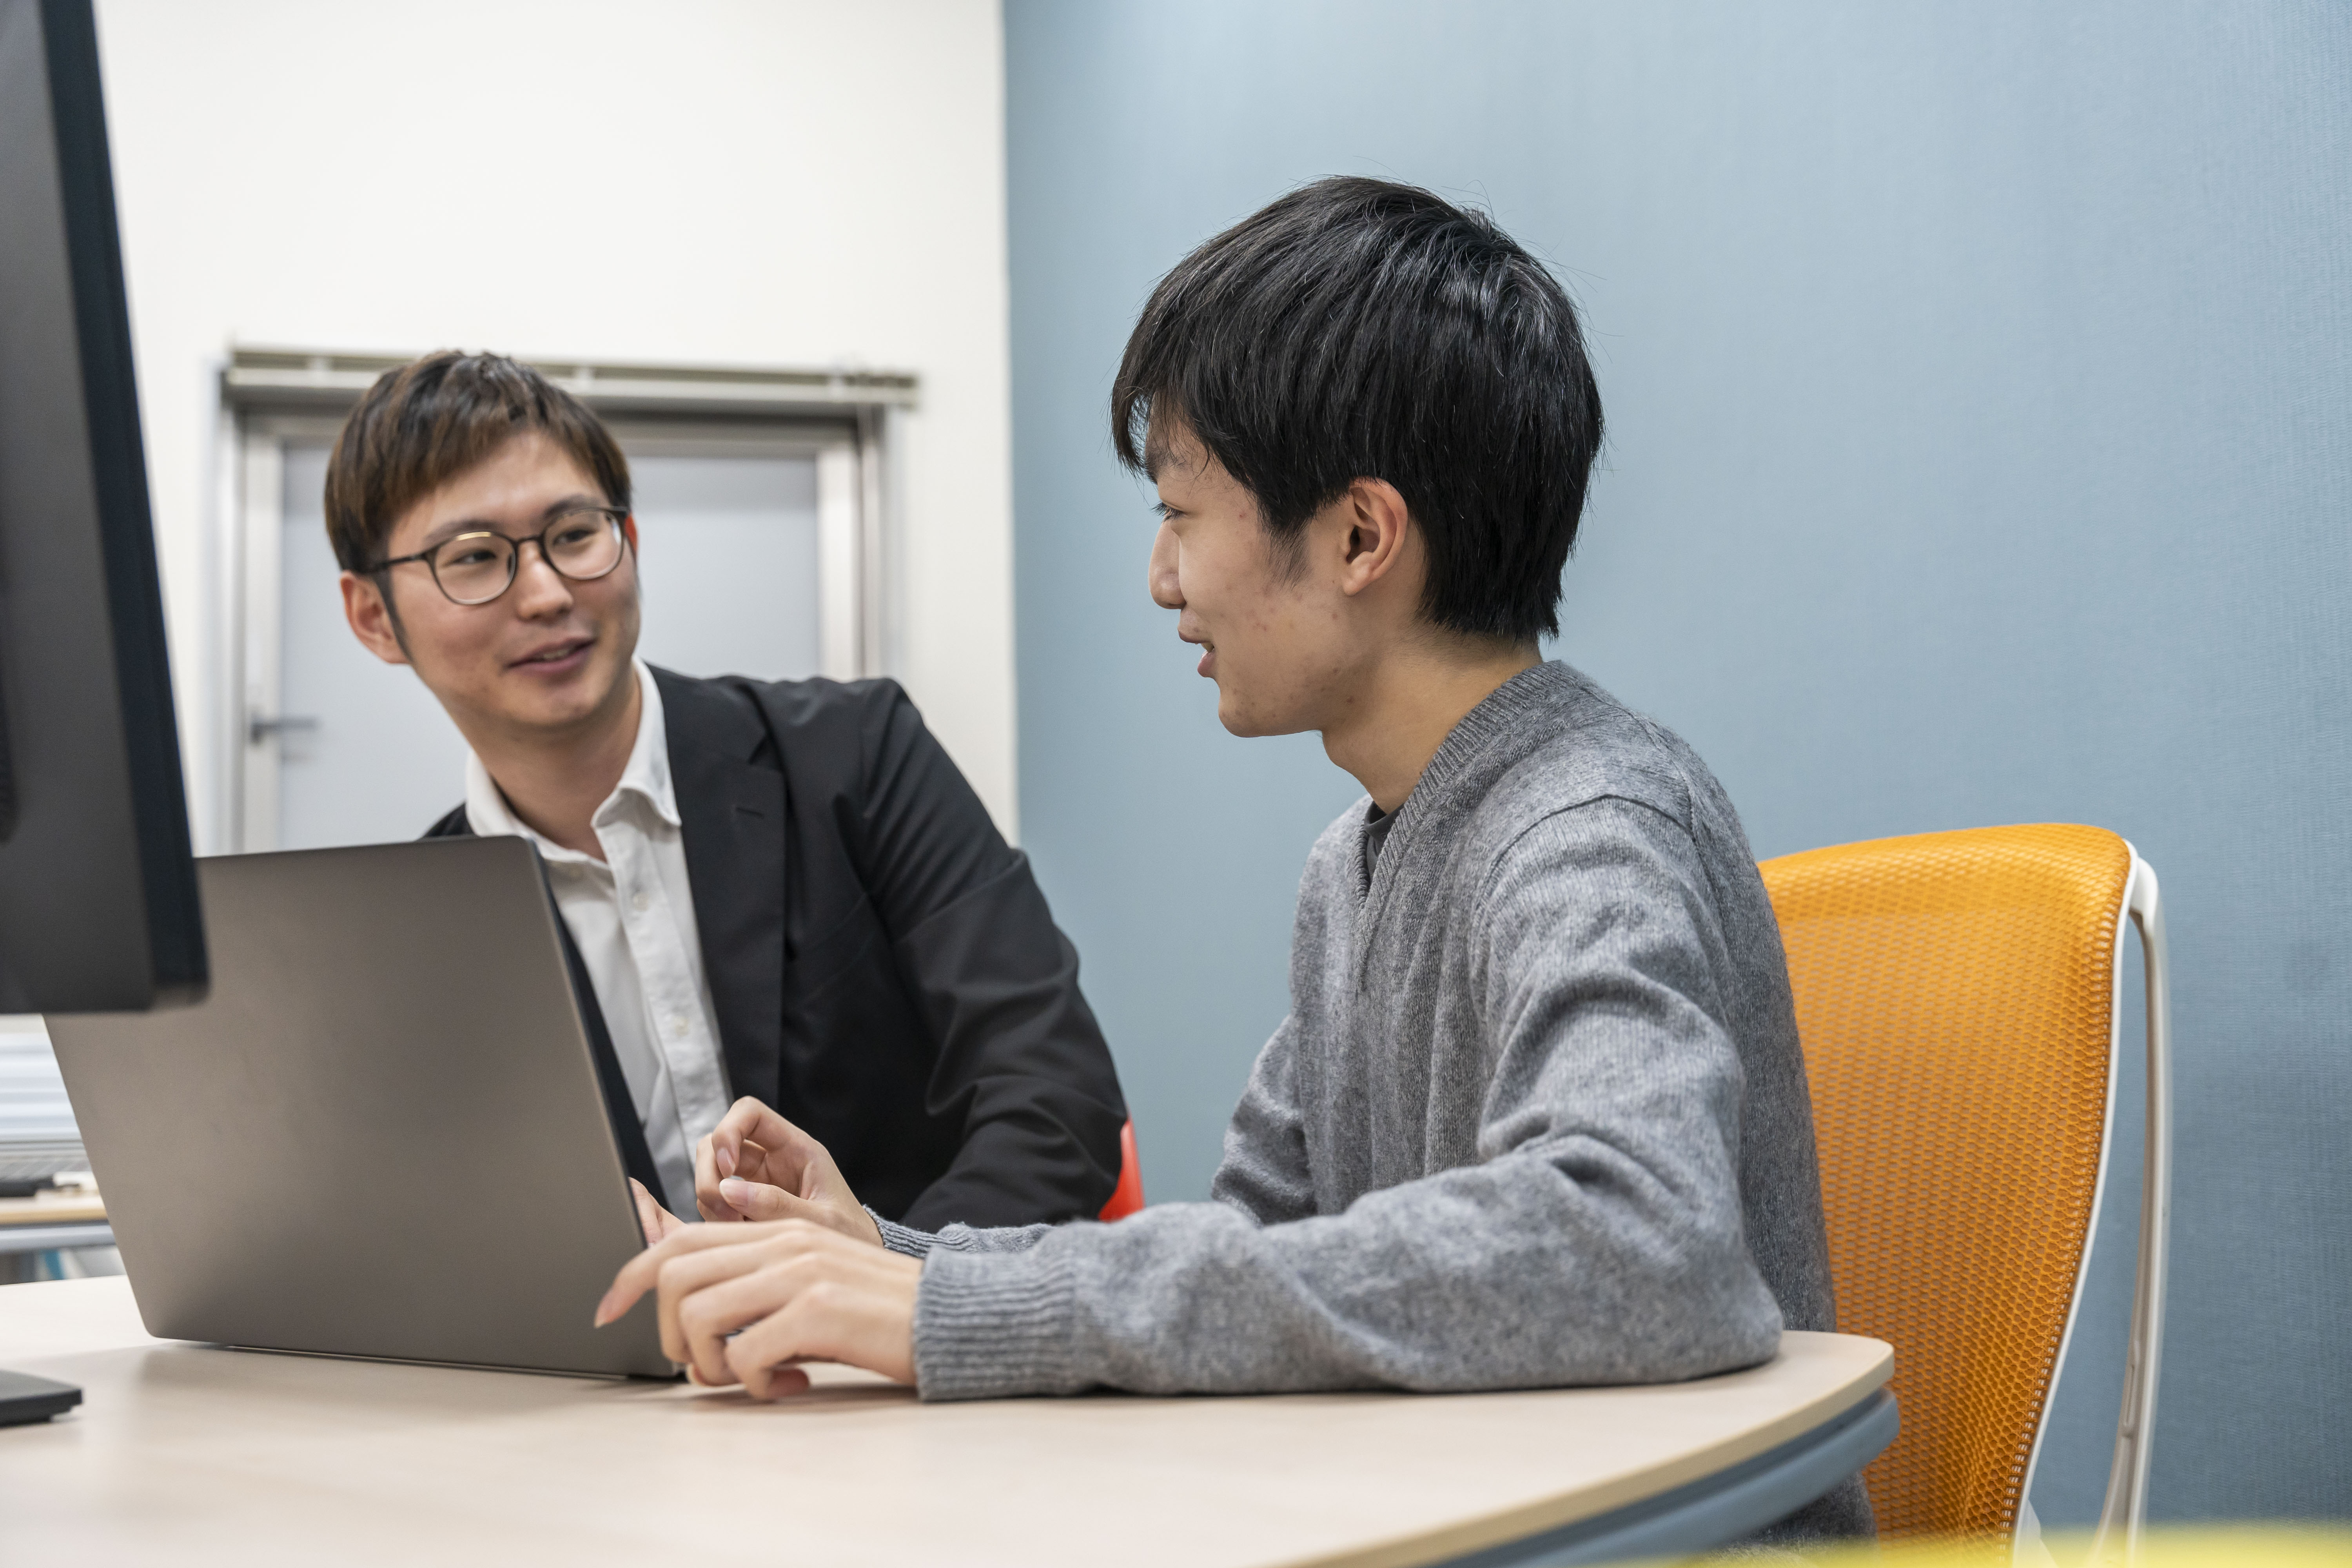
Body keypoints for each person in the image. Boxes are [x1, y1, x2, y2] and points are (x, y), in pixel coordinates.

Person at [598, 177, 1871, 1541]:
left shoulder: (1588, 826)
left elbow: (1642, 1249)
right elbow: (1253, 1260)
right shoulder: (1355, 865)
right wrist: (886, 1257)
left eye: (1183, 514)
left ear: (1360, 537)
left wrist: (953, 1315)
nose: (1163, 578)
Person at [326, 352, 1128, 1230]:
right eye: (474, 558)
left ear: (629, 543)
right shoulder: (410, 925)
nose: (548, 592)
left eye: (575, 534)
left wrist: (892, 1279)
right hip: (618, 1365)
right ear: (373, 616)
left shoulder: (856, 754)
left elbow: (1056, 1094)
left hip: (905, 1351)